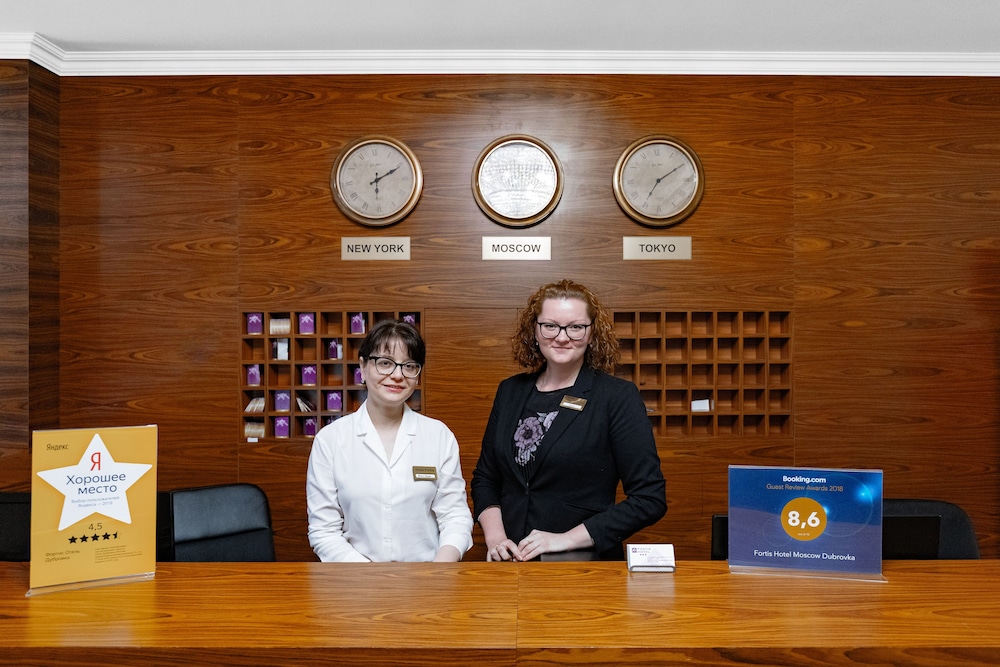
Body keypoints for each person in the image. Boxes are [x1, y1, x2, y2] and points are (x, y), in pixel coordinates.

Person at [471, 279, 667, 561]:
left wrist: (564, 540)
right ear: (534, 330)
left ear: (592, 332)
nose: (562, 337)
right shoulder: (510, 391)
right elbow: (486, 478)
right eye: (550, 326)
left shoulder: (616, 397)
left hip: (584, 566)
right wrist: (497, 540)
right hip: (511, 564)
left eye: (575, 327)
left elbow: (649, 498)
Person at [307, 319, 473, 562]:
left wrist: (439, 571)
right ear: (363, 367)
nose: (397, 375)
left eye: (409, 366)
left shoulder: (438, 436)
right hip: (355, 579)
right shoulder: (330, 440)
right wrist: (372, 578)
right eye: (385, 363)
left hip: (427, 577)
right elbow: (324, 531)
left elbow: (455, 516)